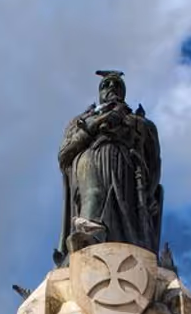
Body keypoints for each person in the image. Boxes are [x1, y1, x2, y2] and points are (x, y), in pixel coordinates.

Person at [55, 70, 162, 264]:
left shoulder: (141, 123)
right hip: (90, 158)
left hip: (125, 166)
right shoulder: (81, 120)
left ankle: (129, 257)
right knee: (93, 195)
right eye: (106, 85)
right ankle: (87, 240)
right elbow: (64, 155)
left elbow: (154, 162)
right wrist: (93, 127)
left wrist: (150, 192)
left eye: (117, 85)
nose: (112, 88)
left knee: (126, 212)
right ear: (99, 92)